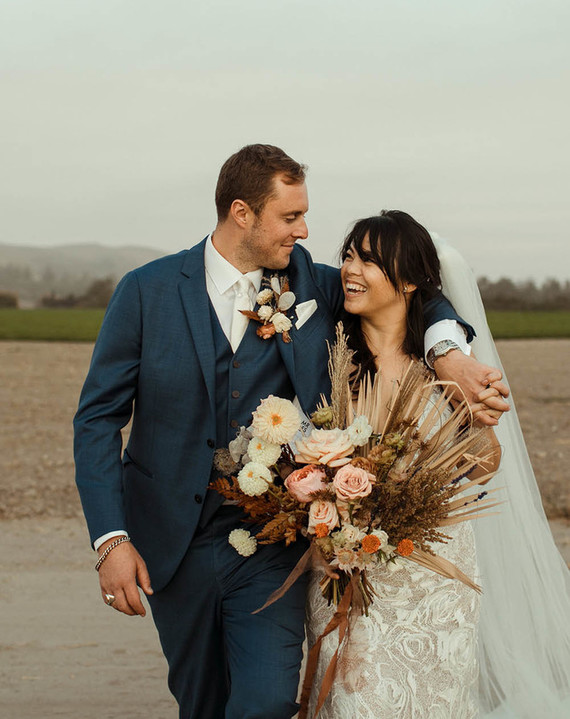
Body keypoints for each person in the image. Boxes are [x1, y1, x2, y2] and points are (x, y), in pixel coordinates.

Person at [73, 147, 507, 719]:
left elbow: (416, 293)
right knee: (201, 701)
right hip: (172, 540)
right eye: (291, 217)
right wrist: (111, 539)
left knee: (268, 700)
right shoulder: (145, 291)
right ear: (241, 213)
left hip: (274, 542)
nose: (305, 231)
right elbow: (97, 419)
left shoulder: (318, 287)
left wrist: (447, 354)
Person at [305, 210, 570, 719]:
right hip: (344, 569)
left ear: (408, 281)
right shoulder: (329, 359)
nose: (350, 269)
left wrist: (471, 436)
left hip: (433, 578)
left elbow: (485, 466)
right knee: (352, 702)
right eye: (348, 255)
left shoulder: (448, 371)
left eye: (369, 259)